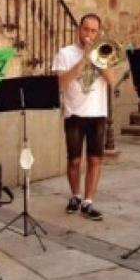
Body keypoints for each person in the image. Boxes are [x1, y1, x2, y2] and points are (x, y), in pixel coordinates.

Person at [53, 13, 117, 221]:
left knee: (95, 159)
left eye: (93, 30)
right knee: (74, 161)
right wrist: (83, 59)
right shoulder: (65, 53)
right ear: (78, 29)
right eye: (85, 29)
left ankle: (89, 201)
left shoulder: (104, 53)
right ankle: (75, 196)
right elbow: (61, 84)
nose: (88, 34)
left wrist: (96, 58)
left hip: (97, 112)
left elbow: (112, 80)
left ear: (98, 33)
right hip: (74, 113)